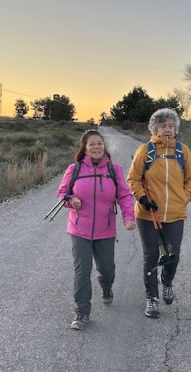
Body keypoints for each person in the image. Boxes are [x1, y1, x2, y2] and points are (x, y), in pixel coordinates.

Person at [57, 129, 136, 330]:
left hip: (105, 230)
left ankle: (106, 287)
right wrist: (70, 201)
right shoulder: (74, 169)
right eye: (91, 144)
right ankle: (82, 312)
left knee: (107, 269)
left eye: (99, 143)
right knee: (82, 271)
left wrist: (129, 217)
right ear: (84, 148)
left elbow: (125, 196)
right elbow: (62, 194)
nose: (96, 147)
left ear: (104, 146)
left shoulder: (114, 170)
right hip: (79, 229)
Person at [127, 108, 191, 318]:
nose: (167, 129)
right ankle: (152, 298)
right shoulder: (145, 150)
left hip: (175, 214)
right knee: (150, 256)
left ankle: (166, 282)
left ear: (175, 129)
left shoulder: (183, 151)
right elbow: (133, 179)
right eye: (163, 126)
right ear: (155, 129)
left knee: (173, 256)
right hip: (147, 214)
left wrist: (184, 198)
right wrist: (142, 199)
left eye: (171, 126)